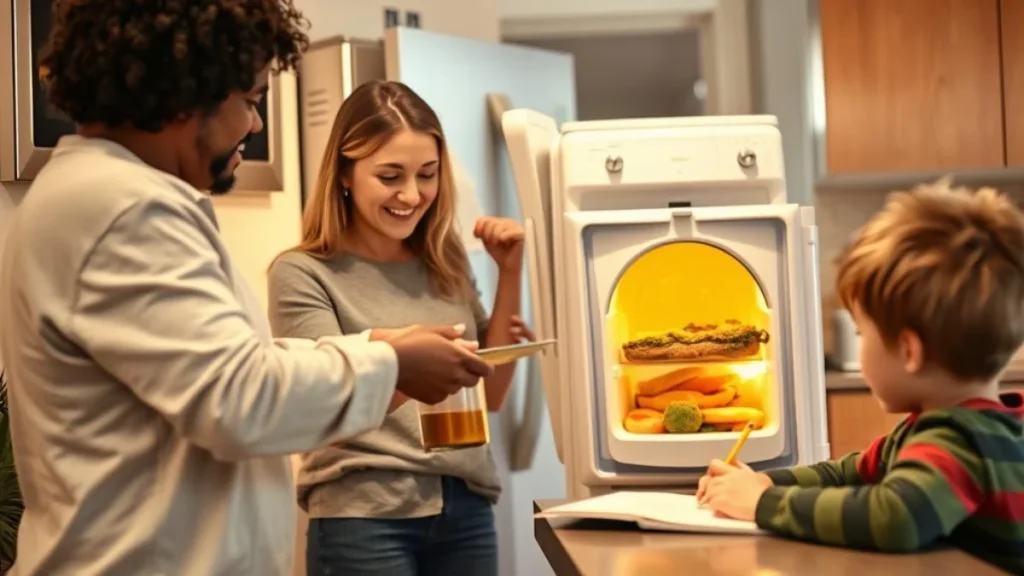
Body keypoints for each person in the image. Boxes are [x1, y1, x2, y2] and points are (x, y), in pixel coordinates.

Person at [0, 3, 492, 575]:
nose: (255, 126)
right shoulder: (123, 209)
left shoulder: (103, 196)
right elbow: (242, 400)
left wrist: (375, 349)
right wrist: (391, 365)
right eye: (252, 101)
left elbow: (230, 367)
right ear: (187, 94)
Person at [267, 80, 530, 576]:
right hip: (363, 514)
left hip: (465, 504)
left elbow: (490, 396)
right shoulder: (303, 273)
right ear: (345, 174)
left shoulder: (443, 260)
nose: (411, 195)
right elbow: (315, 405)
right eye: (390, 176)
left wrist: (510, 272)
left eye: (427, 175)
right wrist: (407, 364)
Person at [696, 180, 1024, 573]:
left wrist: (762, 504)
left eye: (860, 332)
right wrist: (763, 482)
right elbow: (846, 472)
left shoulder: (957, 443)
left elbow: (896, 517)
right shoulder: (953, 428)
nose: (858, 343)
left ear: (909, 351)